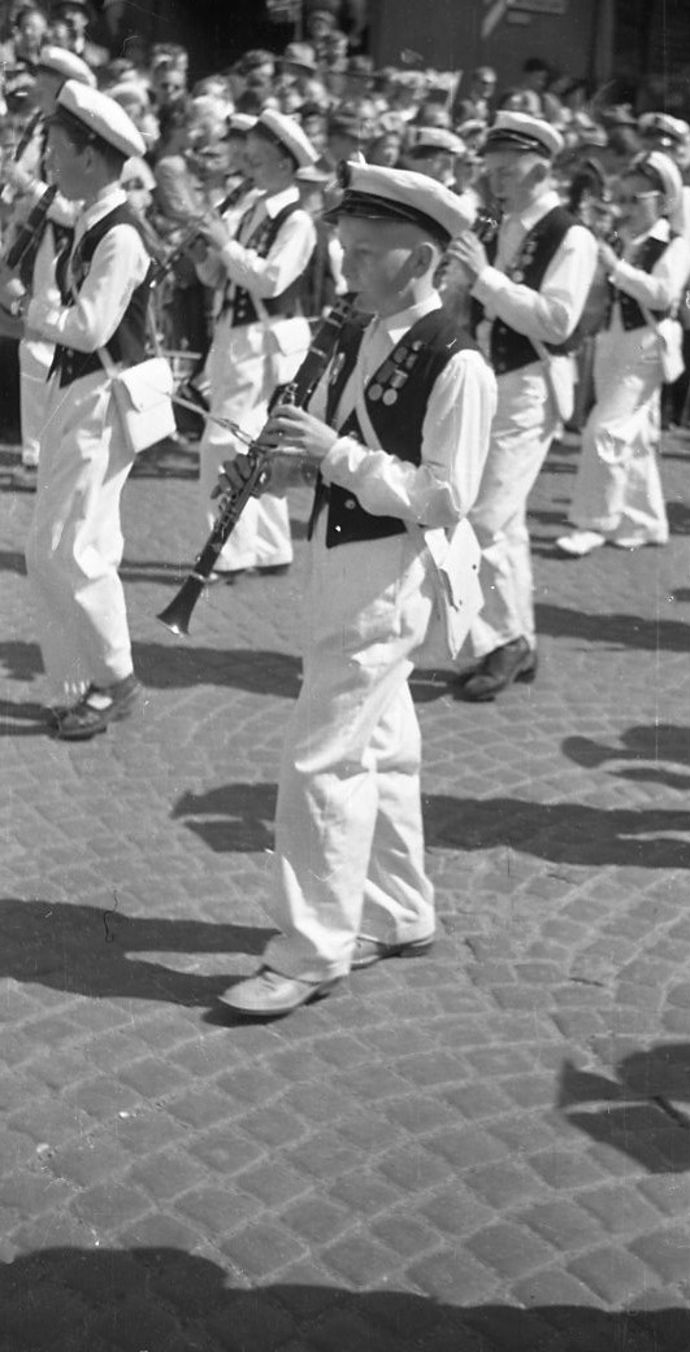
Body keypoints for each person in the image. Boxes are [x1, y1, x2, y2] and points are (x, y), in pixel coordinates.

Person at [218, 164, 496, 1016]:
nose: (346, 267)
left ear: (421, 261)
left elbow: (448, 497)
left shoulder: (459, 363)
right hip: (342, 556)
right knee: (382, 752)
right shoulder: (357, 334)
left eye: (366, 252)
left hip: (389, 576)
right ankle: (401, 912)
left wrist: (334, 456)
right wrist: (281, 470)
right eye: (346, 248)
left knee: (321, 760)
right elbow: (341, 455)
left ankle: (311, 951)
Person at [8, 79, 150, 737]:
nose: (50, 165)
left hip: (100, 397)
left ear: (91, 157)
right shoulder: (90, 217)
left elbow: (91, 328)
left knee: (72, 550)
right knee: (55, 546)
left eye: (59, 152)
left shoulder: (119, 234)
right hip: (77, 392)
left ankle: (114, 680)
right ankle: (84, 679)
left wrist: (19, 308)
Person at [447, 110, 597, 699]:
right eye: (491, 168)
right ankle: (515, 641)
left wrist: (485, 280)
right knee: (501, 521)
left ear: (541, 168)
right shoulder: (492, 225)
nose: (495, 179)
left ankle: (503, 642)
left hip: (531, 384)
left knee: (484, 517)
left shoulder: (572, 236)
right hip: (486, 380)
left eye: (507, 169)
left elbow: (558, 324)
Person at [191, 109, 318, 578]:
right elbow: (220, 277)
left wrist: (225, 245)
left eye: (259, 163)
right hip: (233, 335)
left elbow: (271, 280)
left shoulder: (297, 219)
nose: (249, 171)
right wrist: (207, 252)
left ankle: (230, 553)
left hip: (260, 342)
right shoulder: (250, 211)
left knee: (224, 442)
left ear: (285, 165)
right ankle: (269, 547)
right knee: (253, 441)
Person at [555, 151, 690, 556]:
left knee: (605, 429)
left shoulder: (675, 245)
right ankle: (645, 522)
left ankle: (592, 523)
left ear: (663, 202)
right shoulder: (619, 239)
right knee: (633, 437)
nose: (627, 208)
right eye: (624, 199)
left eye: (638, 200)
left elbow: (665, 294)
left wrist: (616, 267)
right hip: (613, 338)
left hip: (648, 343)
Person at [1, 46, 96, 491]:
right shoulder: (40, 126)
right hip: (31, 242)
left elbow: (74, 207)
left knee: (44, 342)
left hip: (59, 254)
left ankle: (44, 454)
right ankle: (35, 452)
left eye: (43, 79)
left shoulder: (76, 133)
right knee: (31, 347)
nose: (34, 86)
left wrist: (27, 186)